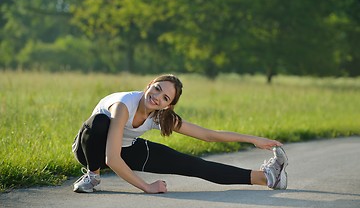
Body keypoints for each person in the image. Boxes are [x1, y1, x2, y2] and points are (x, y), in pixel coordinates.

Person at [72, 74, 288, 193]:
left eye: (165, 98)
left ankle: (266, 177)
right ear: (149, 85)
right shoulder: (124, 105)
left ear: (167, 106)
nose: (157, 97)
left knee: (192, 164)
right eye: (157, 88)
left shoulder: (160, 115)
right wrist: (147, 187)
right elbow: (112, 158)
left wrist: (253, 139)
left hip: (124, 149)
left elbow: (208, 135)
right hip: (90, 150)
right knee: (100, 122)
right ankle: (92, 176)